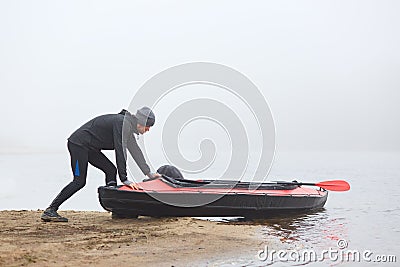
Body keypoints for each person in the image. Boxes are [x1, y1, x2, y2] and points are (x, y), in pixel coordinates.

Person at [41, 107, 161, 222]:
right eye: (148, 126)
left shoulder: (127, 127)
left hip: (90, 148)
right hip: (78, 145)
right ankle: (51, 210)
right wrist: (124, 179)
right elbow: (121, 150)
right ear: (140, 122)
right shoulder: (122, 124)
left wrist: (149, 173)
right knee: (79, 181)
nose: (148, 129)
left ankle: (116, 208)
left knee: (110, 170)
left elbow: (135, 151)